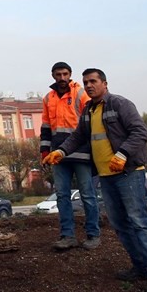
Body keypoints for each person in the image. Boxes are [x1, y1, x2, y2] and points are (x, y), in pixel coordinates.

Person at [43, 68, 147, 292]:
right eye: (85, 82)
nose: (89, 85)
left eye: (93, 81)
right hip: (105, 176)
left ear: (105, 83)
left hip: (128, 172)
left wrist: (122, 154)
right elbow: (78, 137)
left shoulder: (119, 104)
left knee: (139, 222)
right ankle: (140, 267)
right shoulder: (89, 110)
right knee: (120, 224)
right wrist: (61, 151)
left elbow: (140, 132)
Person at [40, 60, 100, 250]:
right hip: (59, 155)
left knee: (88, 195)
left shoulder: (80, 93)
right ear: (53, 76)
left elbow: (91, 120)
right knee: (62, 196)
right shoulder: (48, 98)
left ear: (70, 74)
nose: (62, 78)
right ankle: (68, 235)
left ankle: (93, 234)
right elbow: (46, 127)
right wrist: (44, 152)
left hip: (81, 152)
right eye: (58, 75)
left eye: (65, 74)